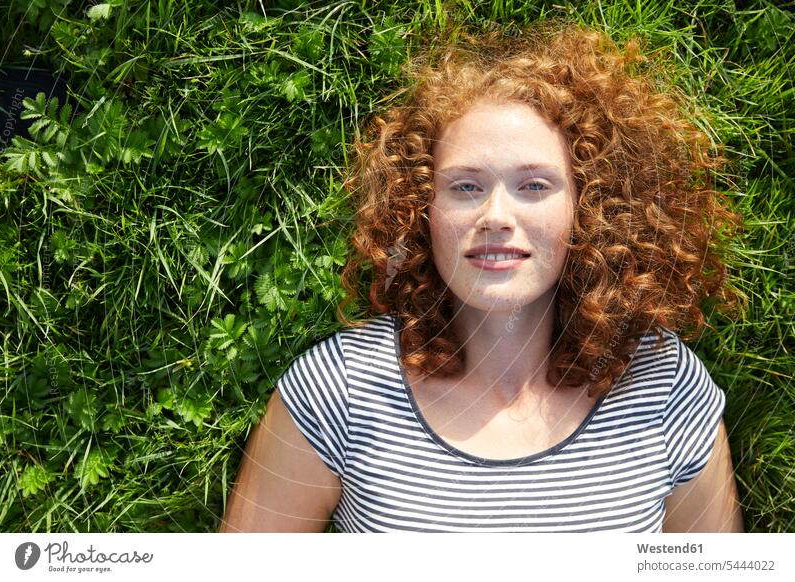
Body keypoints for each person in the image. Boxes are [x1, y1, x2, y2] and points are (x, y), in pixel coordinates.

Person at [220, 19, 745, 533]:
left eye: (535, 186)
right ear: (419, 208)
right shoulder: (341, 389)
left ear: (590, 209)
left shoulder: (663, 386)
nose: (495, 215)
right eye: (465, 187)